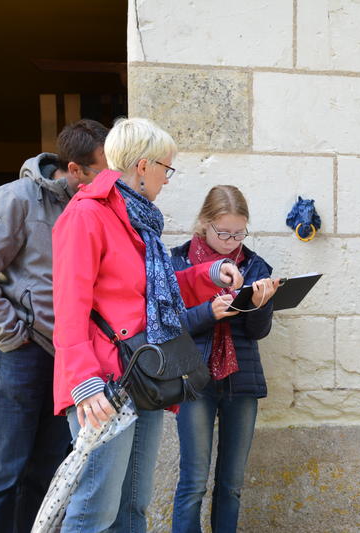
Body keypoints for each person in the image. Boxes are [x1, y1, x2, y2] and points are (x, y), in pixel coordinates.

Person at [50, 117, 244, 532]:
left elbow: (155, 290)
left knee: (133, 510)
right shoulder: (87, 214)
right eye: (166, 168)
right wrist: (83, 382)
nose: (167, 180)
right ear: (143, 166)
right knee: (93, 513)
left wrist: (210, 273)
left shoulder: (137, 219)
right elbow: (68, 304)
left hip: (143, 376)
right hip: (103, 384)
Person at [0, 119, 109, 533]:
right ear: (74, 169)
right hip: (19, 354)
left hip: (67, 360)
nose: (110, 180)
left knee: (46, 475)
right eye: (102, 170)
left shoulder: (93, 207)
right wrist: (12, 334)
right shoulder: (12, 199)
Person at [171, 185, 279, 533]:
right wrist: (209, 313)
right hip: (195, 382)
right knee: (193, 482)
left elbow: (258, 332)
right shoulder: (177, 262)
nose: (232, 242)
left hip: (241, 382)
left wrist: (260, 307)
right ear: (205, 224)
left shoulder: (255, 265)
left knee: (231, 485)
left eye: (239, 233)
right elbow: (168, 327)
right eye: (224, 233)